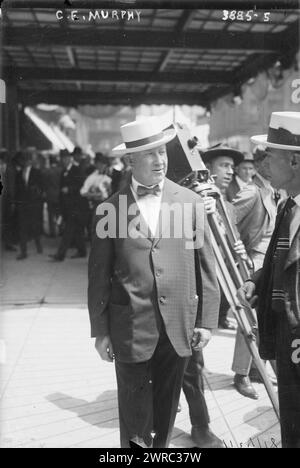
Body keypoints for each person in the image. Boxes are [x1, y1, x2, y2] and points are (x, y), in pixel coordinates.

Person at [88, 117, 220, 448]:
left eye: (162, 152)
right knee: (134, 417)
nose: (160, 160)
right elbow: (98, 275)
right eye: (150, 154)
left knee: (165, 412)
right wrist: (100, 330)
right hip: (130, 327)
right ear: (129, 161)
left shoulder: (189, 202)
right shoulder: (110, 210)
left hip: (178, 327)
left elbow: (205, 266)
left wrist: (206, 321)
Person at [238, 111, 300, 448]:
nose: (264, 163)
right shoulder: (288, 206)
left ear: (293, 160)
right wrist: (259, 281)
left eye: (269, 156)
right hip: (285, 339)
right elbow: (282, 258)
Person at [231, 144, 279, 396]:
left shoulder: (271, 190)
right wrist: (237, 249)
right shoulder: (252, 191)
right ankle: (241, 374)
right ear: (262, 163)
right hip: (252, 262)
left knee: (262, 319)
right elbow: (225, 221)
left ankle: (254, 369)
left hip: (265, 262)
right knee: (248, 319)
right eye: (273, 160)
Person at [50, 149, 87, 261]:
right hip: (67, 207)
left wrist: (69, 189)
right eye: (62, 159)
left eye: (66, 158)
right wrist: (60, 208)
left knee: (68, 230)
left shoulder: (76, 170)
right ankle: (82, 251)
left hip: (76, 206)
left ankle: (60, 255)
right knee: (77, 231)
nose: (64, 160)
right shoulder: (63, 172)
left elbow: (82, 186)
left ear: (70, 159)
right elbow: (61, 191)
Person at [14, 150, 44, 260]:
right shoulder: (18, 174)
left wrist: (37, 197)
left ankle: (38, 245)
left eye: (27, 160)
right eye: (23, 161)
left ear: (30, 161)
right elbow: (17, 191)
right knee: (23, 228)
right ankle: (23, 252)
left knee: (35, 226)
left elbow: (41, 188)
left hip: (33, 204)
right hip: (23, 206)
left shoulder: (37, 172)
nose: (25, 163)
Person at [42, 155, 62, 237]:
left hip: (50, 196)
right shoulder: (60, 170)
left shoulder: (47, 171)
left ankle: (52, 233)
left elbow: (44, 184)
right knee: (59, 214)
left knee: (50, 215)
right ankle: (61, 230)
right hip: (59, 196)